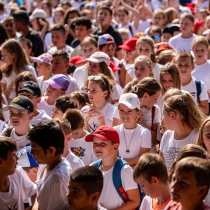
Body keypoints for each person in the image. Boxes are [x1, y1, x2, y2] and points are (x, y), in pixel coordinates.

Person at [86, 125, 140, 209]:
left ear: (115, 146)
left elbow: (135, 201)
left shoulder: (125, 170)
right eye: (95, 143)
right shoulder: (92, 168)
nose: (97, 147)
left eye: (103, 143)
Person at [28, 120, 72, 210]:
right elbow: (38, 197)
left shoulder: (58, 178)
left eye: (35, 150)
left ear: (51, 151)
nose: (31, 152)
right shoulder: (44, 163)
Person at [160, 89, 204, 170]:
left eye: (164, 115)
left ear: (173, 115)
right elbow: (161, 167)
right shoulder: (167, 135)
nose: (162, 118)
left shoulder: (198, 136)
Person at [114, 93, 151, 168]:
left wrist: (122, 165)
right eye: (121, 110)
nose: (125, 114)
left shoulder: (144, 133)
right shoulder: (114, 131)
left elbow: (143, 160)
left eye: (129, 111)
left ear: (138, 113)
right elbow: (114, 158)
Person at [0, 136, 37, 209]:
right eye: (13, 155)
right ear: (1, 161)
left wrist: (34, 207)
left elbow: (34, 192)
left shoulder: (17, 172)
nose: (17, 158)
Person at [191, 36, 210, 114]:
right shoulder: (187, 65)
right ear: (192, 50)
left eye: (202, 50)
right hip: (190, 104)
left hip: (207, 104)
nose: (199, 53)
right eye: (196, 50)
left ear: (207, 49)